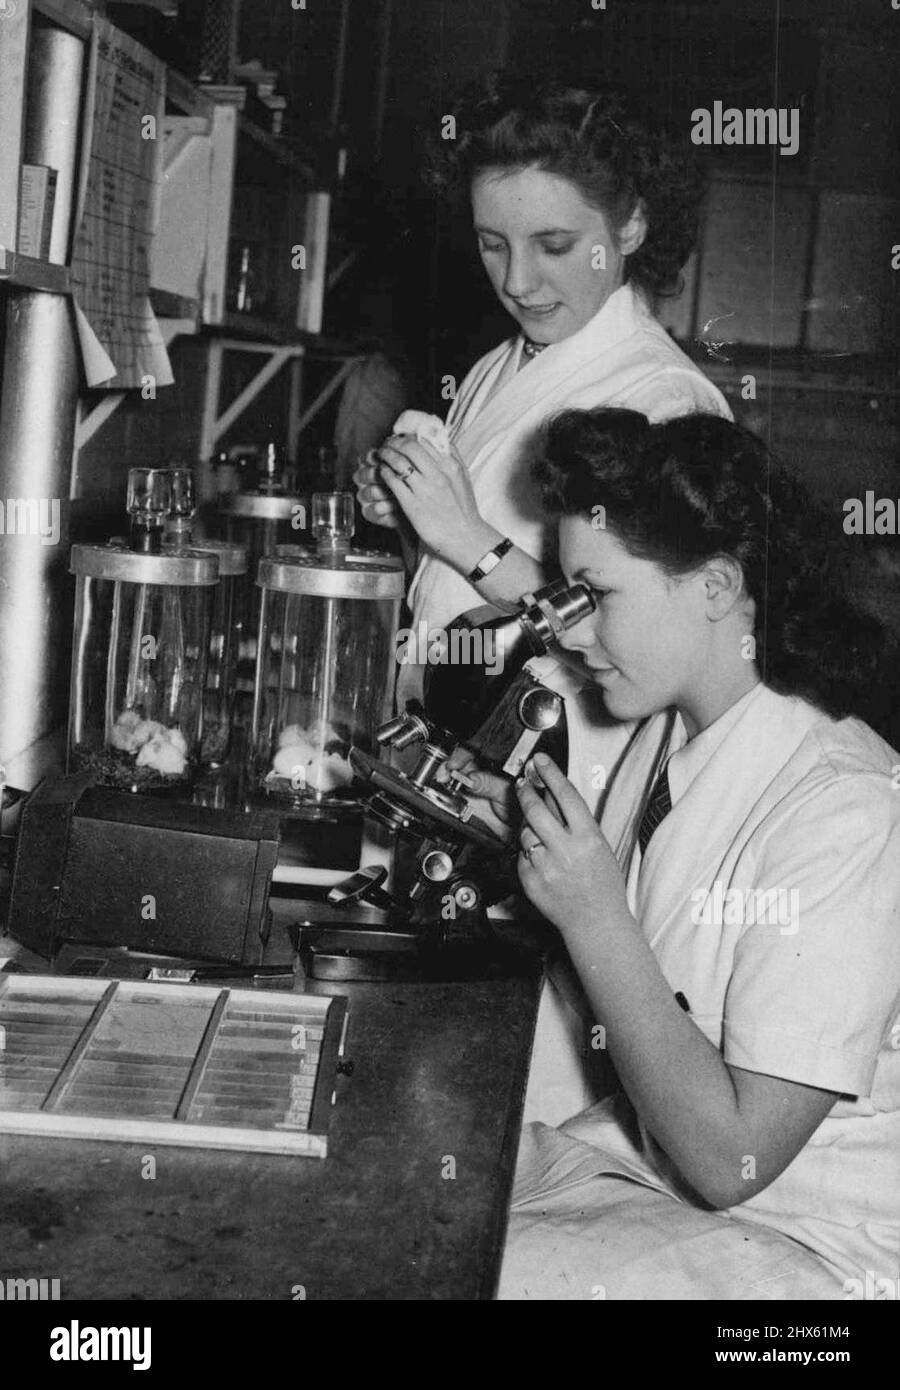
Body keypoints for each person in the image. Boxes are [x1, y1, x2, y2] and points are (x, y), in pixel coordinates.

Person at [456, 406, 899, 1298]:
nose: (568, 633)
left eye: (597, 596)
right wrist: (536, 869)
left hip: (816, 1252)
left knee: (447, 1278)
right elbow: (648, 989)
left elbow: (733, 1159)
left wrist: (593, 912)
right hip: (648, 1171)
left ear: (713, 589)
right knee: (404, 1193)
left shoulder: (845, 809)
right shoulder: (668, 735)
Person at [354, 74, 730, 805]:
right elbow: (451, 581)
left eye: (554, 245)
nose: (519, 281)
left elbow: (641, 640)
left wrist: (464, 534)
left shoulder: (665, 401)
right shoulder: (505, 361)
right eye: (493, 245)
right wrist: (410, 517)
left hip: (559, 777)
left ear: (629, 229)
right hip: (447, 743)